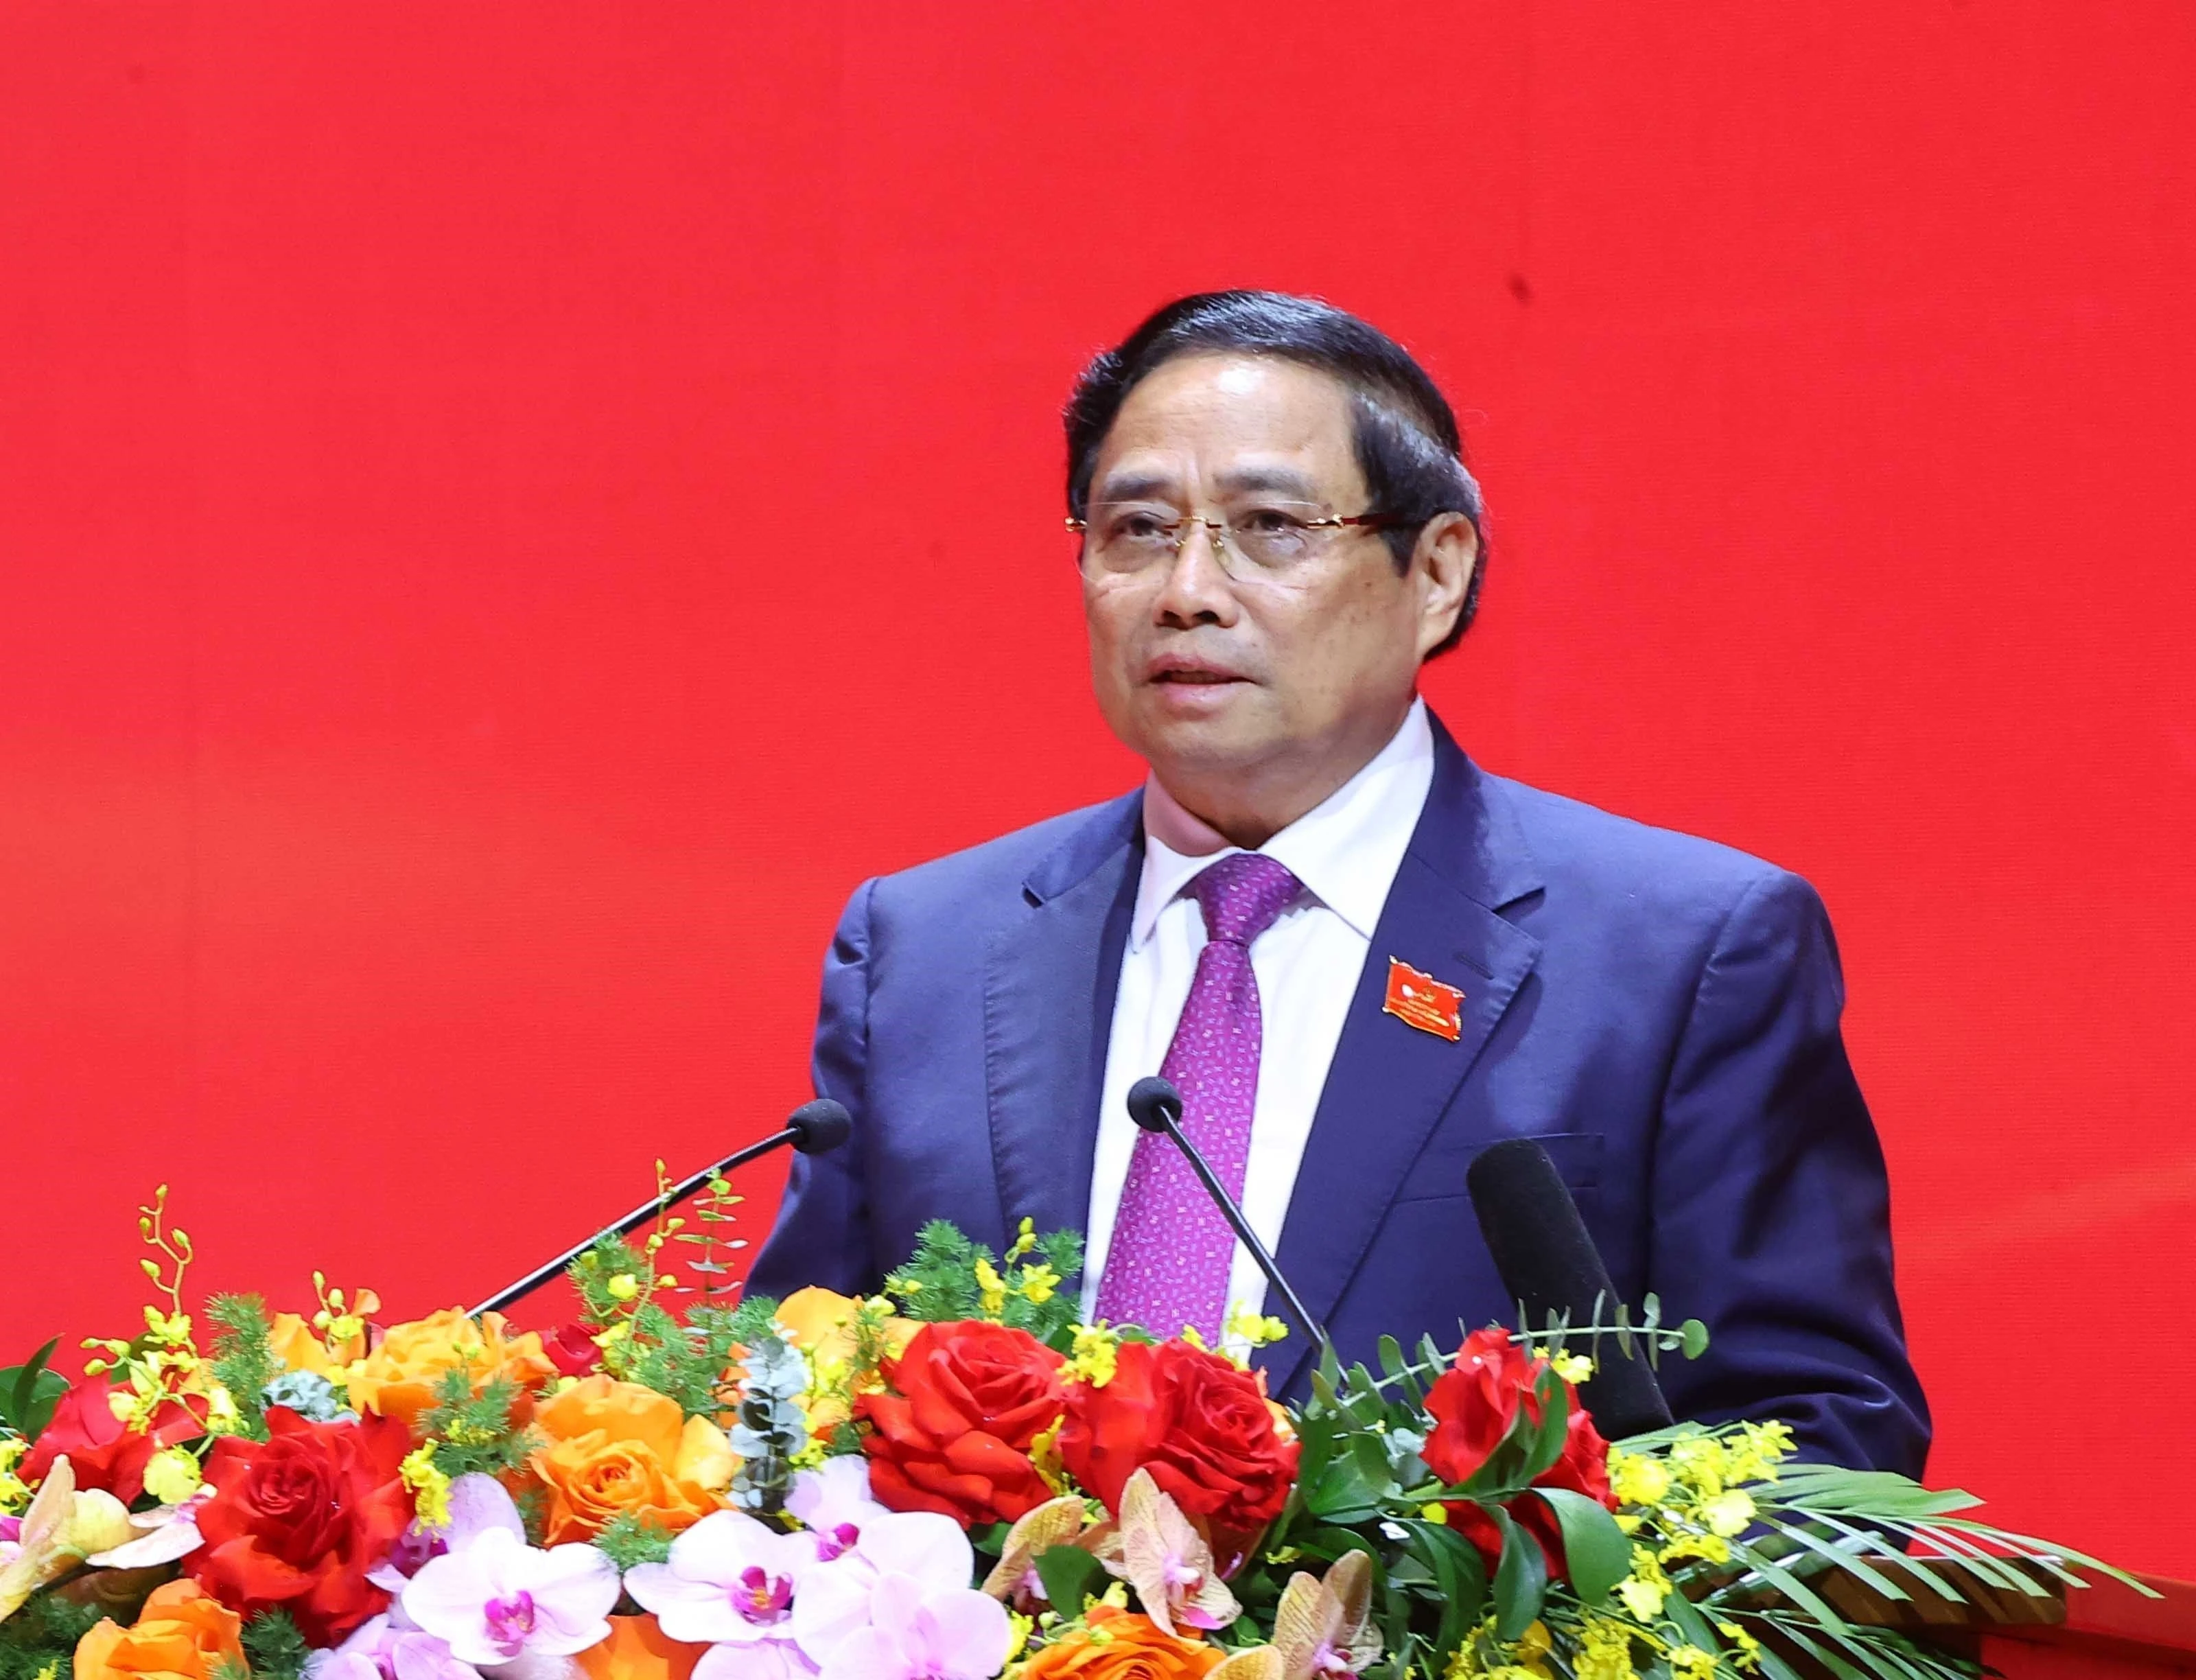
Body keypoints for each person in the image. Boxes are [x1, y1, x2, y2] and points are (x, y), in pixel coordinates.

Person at [750, 290, 1930, 1475]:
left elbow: (1820, 1440)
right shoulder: (923, 952)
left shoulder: (1680, 955)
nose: (1187, 590)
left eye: (1269, 526)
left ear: (1436, 572)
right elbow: (787, 1410)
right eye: (1137, 530)